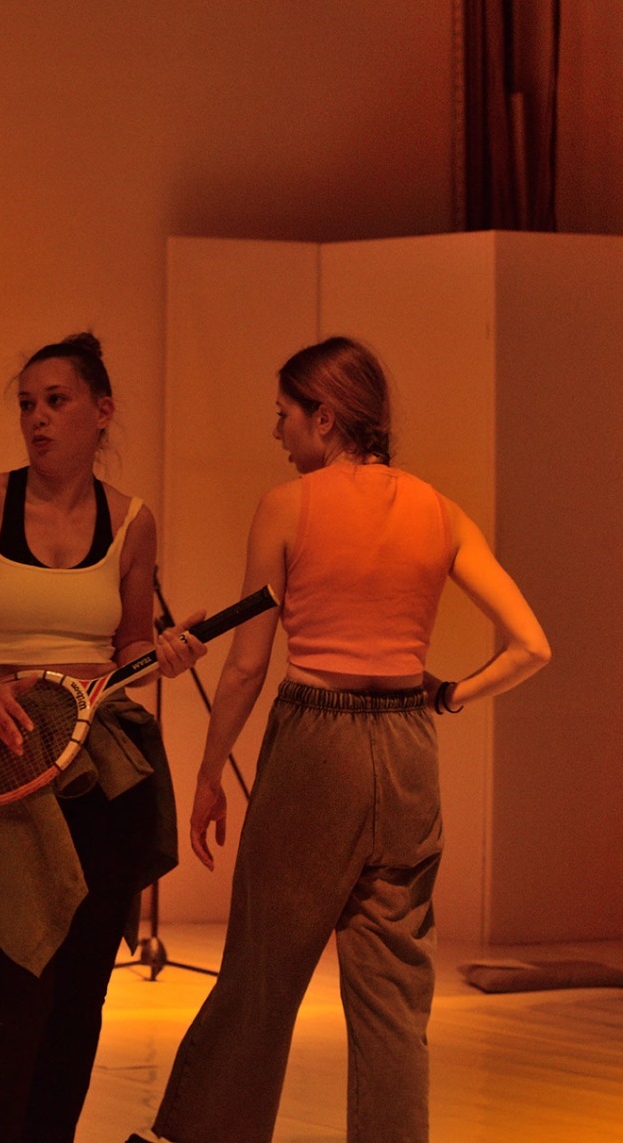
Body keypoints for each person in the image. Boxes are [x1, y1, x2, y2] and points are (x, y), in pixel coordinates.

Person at [138, 337, 551, 1143]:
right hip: (409, 746)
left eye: (285, 415)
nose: (278, 432)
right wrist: (450, 694)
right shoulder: (441, 511)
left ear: (324, 417)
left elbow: (246, 666)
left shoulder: (287, 506)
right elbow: (532, 645)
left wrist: (211, 770)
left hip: (316, 743)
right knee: (394, 996)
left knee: (262, 974)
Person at [0, 331, 204, 1143]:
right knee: (11, 997)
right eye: (27, 404)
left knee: (78, 999)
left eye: (55, 401)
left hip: (101, 767)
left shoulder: (133, 521)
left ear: (101, 412)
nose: (37, 417)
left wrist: (163, 656)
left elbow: (130, 647)